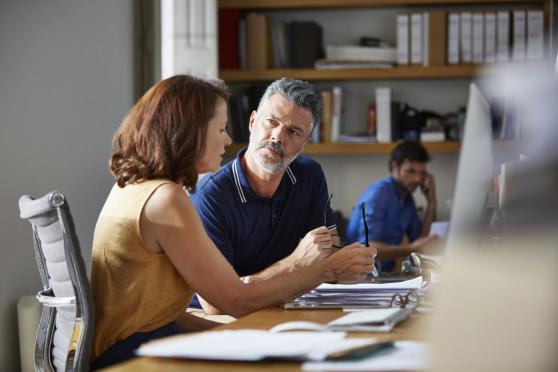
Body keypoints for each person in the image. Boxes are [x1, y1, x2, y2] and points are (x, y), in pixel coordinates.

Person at [89, 75, 375, 369]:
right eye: (221, 128)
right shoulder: (166, 200)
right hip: (128, 357)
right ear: (191, 132)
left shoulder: (133, 188)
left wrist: (243, 335)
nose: (227, 139)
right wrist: (326, 268)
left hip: (130, 345)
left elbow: (157, 311)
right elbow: (234, 301)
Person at [191, 78, 343, 314]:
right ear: (252, 122)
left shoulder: (310, 176)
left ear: (304, 144)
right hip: (222, 324)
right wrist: (296, 263)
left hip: (285, 309)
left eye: (293, 132)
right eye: (271, 122)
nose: (277, 137)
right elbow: (217, 305)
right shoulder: (211, 195)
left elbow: (327, 254)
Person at [346, 140, 439, 272]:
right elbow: (366, 248)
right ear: (395, 167)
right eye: (411, 171)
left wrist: (431, 202)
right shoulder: (378, 195)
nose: (418, 179)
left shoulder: (407, 198)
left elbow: (421, 241)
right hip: (357, 274)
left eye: (422, 173)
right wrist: (412, 249)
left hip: (383, 273)